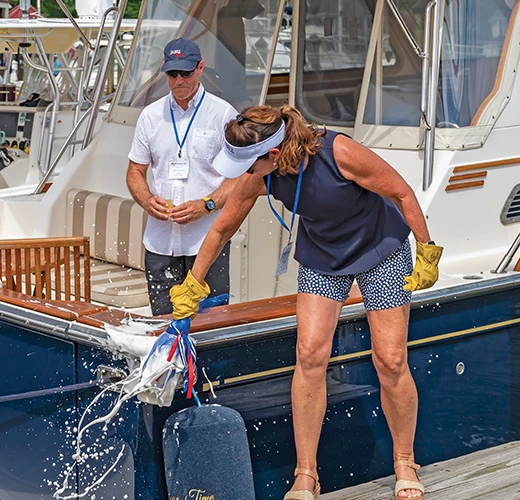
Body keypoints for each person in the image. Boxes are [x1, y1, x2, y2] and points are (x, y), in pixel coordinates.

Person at [170, 105, 442, 500]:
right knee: (310, 355)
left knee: (390, 359)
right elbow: (223, 227)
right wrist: (192, 284)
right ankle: (306, 475)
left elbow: (401, 191)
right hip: (323, 256)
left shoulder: (340, 152)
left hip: (380, 248)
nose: (244, 172)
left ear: (274, 154)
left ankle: (404, 461)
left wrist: (427, 250)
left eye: (248, 163)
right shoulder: (258, 176)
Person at [126, 37, 239, 315]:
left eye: (186, 73)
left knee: (210, 327)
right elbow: (135, 172)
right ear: (165, 70)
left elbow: (240, 177)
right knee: (164, 325)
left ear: (200, 68)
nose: (179, 80)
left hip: (208, 243)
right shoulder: (150, 116)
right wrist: (146, 199)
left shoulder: (223, 114)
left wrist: (207, 204)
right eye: (172, 74)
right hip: (160, 244)